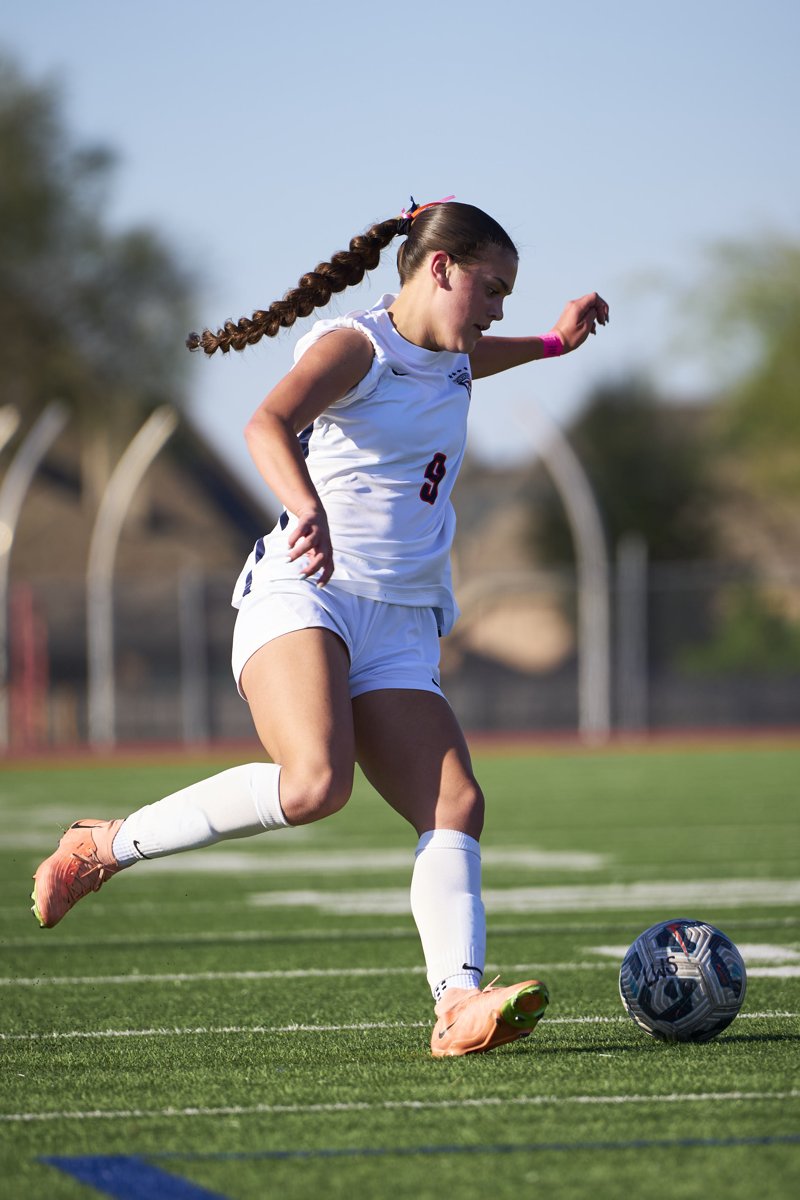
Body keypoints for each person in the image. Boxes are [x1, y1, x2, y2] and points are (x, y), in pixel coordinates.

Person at [31, 197, 608, 1057]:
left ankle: (456, 1005)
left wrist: (557, 344)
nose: (496, 310)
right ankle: (104, 845)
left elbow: (475, 359)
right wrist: (304, 505)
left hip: (403, 615)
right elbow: (265, 423)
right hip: (311, 592)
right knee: (312, 786)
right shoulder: (357, 345)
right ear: (439, 266)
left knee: (455, 803)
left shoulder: (449, 355)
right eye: (491, 288)